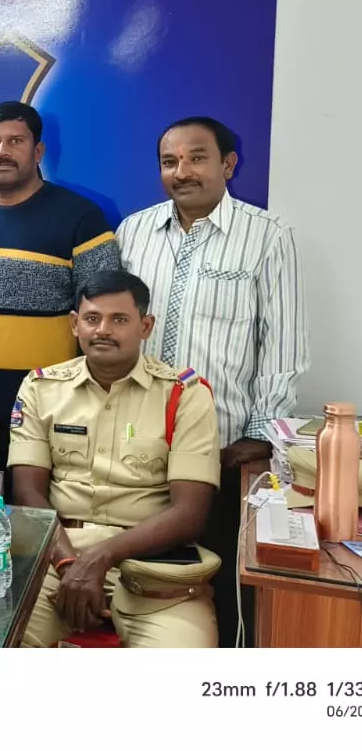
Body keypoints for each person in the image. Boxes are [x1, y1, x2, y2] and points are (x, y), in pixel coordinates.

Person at [115, 115, 308, 646]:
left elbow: (283, 342)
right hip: (138, 443)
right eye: (170, 161)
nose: (182, 171)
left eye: (197, 158)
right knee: (140, 573)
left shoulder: (267, 236)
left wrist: (260, 434)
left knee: (220, 582)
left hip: (223, 449)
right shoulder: (133, 231)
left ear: (228, 164)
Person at [10, 270, 220, 648]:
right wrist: (69, 564)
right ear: (75, 324)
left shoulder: (185, 394)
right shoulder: (41, 388)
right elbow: (28, 494)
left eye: (119, 319)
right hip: (56, 556)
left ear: (145, 326)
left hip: (154, 563)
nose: (103, 330)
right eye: (92, 319)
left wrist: (101, 557)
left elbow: (190, 514)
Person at [0, 101, 122, 474]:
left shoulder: (81, 217)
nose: (2, 152)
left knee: (39, 498)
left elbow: (102, 317)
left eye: (15, 141)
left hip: (51, 401)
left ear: (38, 151)